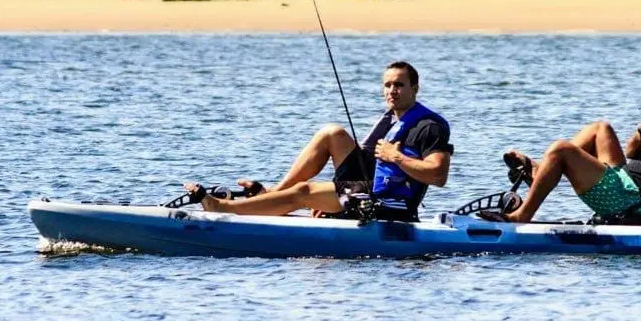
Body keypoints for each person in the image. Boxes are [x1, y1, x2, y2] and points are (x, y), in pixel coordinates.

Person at [184, 61, 453, 222]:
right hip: (368, 183)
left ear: (414, 89)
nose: (391, 91)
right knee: (331, 133)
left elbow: (438, 175)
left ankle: (223, 208)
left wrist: (396, 157)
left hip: (390, 205)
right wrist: (332, 201)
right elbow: (364, 161)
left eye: (399, 85)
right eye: (387, 85)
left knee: (305, 192)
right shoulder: (391, 119)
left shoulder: (429, 126)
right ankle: (273, 195)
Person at [492, 71, 641, 233]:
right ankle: (540, 171)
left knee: (561, 150)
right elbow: (632, 153)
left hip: (632, 201)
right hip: (624, 178)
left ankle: (522, 215)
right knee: (600, 128)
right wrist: (639, 136)